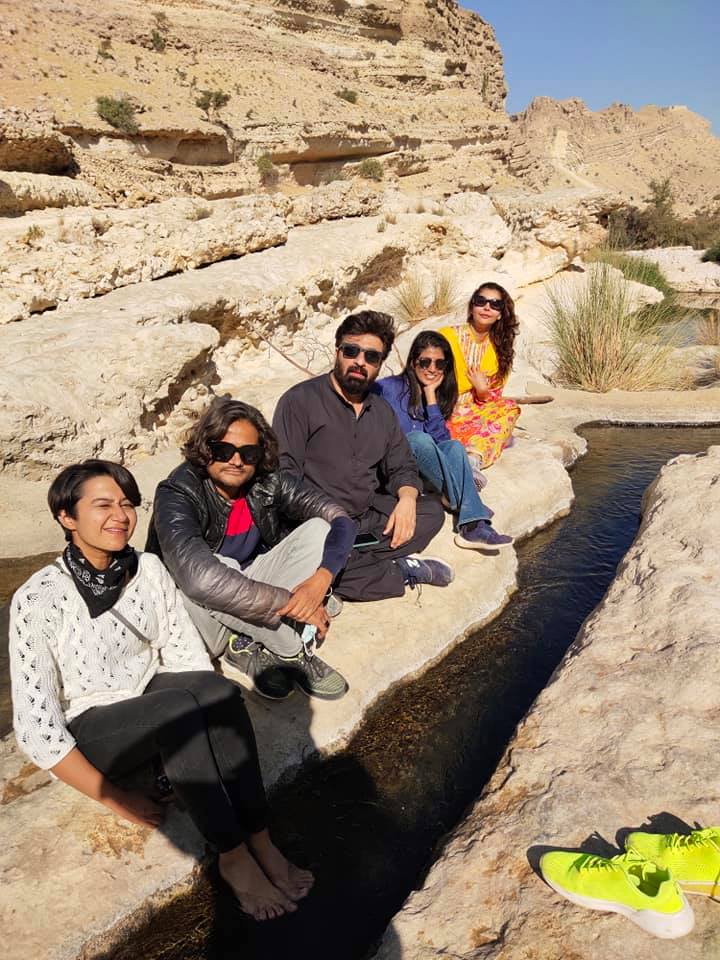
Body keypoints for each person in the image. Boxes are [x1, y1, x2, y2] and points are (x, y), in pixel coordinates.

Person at [9, 459, 312, 921]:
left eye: (128, 504)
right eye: (103, 505)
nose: (120, 516)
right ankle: (231, 856)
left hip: (149, 694)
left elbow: (183, 653)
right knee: (177, 712)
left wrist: (198, 727)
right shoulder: (39, 597)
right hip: (94, 727)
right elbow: (37, 727)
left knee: (220, 693)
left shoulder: (146, 568)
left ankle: (259, 837)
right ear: (66, 517)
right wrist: (116, 797)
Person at [146, 397, 357, 702]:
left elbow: (341, 520)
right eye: (223, 450)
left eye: (248, 453)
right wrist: (292, 602)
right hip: (194, 611)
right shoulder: (178, 491)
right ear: (206, 449)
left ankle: (244, 642)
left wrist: (320, 581)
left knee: (320, 530)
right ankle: (289, 648)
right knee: (216, 567)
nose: (236, 461)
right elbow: (199, 580)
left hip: (246, 591)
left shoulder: (267, 482)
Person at [272, 310, 453, 602]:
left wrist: (407, 498)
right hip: (316, 523)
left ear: (379, 365)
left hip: (365, 516)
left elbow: (402, 465)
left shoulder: (381, 411)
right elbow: (284, 475)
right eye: (351, 351)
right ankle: (396, 571)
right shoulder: (299, 401)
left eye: (371, 357)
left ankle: (348, 562)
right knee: (314, 552)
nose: (360, 361)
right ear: (337, 351)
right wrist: (331, 522)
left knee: (431, 512)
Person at [374, 330, 513, 549]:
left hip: (426, 472)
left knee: (454, 446)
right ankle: (469, 507)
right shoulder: (388, 388)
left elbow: (442, 441)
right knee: (417, 439)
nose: (432, 369)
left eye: (439, 364)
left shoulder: (437, 393)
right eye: (425, 362)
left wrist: (430, 397)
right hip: (398, 473)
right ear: (413, 362)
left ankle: (468, 522)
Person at [439, 282, 520, 477]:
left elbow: (492, 399)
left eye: (495, 304)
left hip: (474, 410)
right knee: (501, 432)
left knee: (509, 408)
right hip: (443, 409)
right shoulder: (446, 336)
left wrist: (482, 390)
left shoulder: (500, 348)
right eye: (481, 301)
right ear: (472, 306)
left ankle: (473, 461)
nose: (486, 307)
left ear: (501, 313)